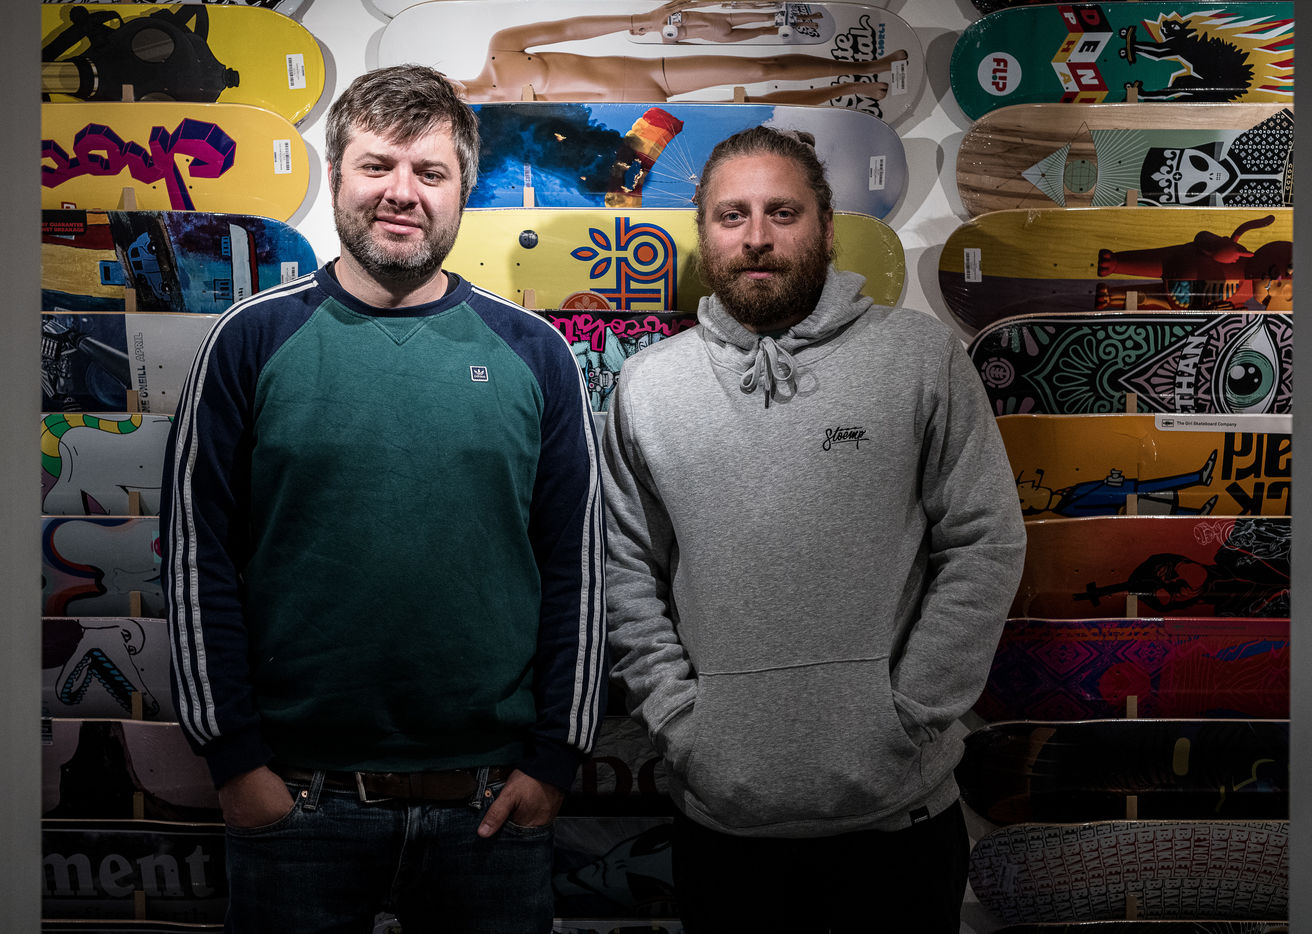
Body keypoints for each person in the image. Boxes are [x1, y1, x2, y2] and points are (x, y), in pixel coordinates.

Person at [161, 65, 606, 934]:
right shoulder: (249, 340)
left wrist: (555, 762)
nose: (402, 192)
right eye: (377, 166)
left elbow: (580, 573)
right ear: (336, 177)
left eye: (429, 171)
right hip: (298, 804)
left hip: (490, 808)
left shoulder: (536, 353)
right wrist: (235, 764)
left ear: (462, 190)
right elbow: (193, 560)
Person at [599, 126, 1027, 932]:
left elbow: (986, 541)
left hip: (899, 826)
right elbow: (625, 568)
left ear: (827, 229)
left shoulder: (919, 359)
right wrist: (682, 724)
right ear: (705, 235)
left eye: (783, 212)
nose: (757, 237)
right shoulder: (650, 386)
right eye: (732, 215)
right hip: (722, 826)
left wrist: (911, 712)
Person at [447, 0, 907, 104]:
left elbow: (569, 28)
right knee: (754, 107)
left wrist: (638, 20)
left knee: (759, 67)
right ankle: (847, 88)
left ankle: (865, 64)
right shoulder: (489, 121)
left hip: (648, 72)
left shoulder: (500, 49)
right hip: (634, 113)